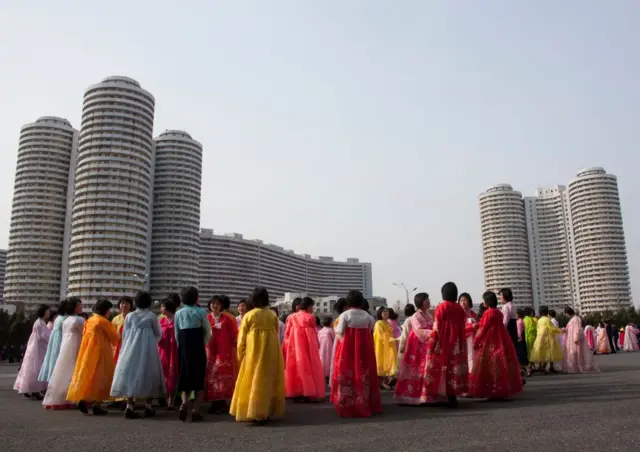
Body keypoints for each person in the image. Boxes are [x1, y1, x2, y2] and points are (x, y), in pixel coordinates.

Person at [230, 287, 285, 424]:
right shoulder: (272, 315)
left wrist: (240, 355)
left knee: (252, 380)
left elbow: (241, 339)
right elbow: (276, 332)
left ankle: (252, 411)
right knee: (267, 380)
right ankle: (265, 411)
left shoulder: (249, 315)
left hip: (253, 352)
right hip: (271, 351)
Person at [110, 291, 165, 419]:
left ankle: (130, 405)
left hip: (130, 348)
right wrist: (149, 341)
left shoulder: (129, 316)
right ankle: (148, 406)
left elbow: (125, 334)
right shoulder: (152, 316)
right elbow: (158, 334)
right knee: (150, 373)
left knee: (130, 372)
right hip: (148, 349)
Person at [331, 290, 381, 418]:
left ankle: (347, 403)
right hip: (365, 348)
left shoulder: (345, 315)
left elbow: (340, 331)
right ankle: (365, 402)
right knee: (364, 372)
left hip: (348, 348)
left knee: (347, 372)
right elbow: (372, 328)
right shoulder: (367, 316)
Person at [67, 299, 119, 415]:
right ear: (105, 310)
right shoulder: (104, 322)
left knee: (88, 375)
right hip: (101, 352)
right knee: (101, 377)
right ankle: (97, 405)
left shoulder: (89, 320)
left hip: (87, 352)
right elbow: (114, 339)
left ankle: (83, 398)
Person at [468, 291, 523, 399]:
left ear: (487, 301)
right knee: (500, 365)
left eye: (483, 299)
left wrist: (476, 342)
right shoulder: (498, 312)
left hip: (490, 340)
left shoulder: (488, 313)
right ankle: (500, 389)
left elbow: (483, 328)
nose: (482, 301)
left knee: (489, 366)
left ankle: (492, 390)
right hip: (501, 339)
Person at [423, 282, 468, 408]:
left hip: (443, 341)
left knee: (443, 367)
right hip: (457, 342)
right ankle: (453, 396)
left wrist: (432, 345)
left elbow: (437, 326)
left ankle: (442, 394)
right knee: (455, 368)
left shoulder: (441, 307)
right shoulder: (459, 308)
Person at [174, 286, 211, 422]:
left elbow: (176, 333)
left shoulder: (179, 313)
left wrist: (180, 346)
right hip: (197, 346)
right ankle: (196, 410)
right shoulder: (201, 312)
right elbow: (207, 330)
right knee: (198, 378)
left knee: (185, 376)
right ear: (196, 298)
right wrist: (204, 342)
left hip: (183, 346)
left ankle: (184, 404)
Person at [43, 298, 85, 410]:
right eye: (79, 305)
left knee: (63, 371)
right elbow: (84, 334)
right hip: (76, 346)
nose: (81, 307)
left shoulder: (65, 320)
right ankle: (75, 396)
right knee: (75, 371)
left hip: (65, 347)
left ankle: (60, 396)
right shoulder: (79, 320)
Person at [394, 292, 433, 405]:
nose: (429, 301)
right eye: (426, 300)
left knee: (426, 369)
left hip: (427, 344)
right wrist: (433, 333)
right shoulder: (415, 316)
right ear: (420, 302)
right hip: (417, 346)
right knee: (415, 370)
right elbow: (419, 331)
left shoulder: (429, 315)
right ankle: (412, 394)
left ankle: (425, 394)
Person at [283, 297, 325, 401]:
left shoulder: (291, 317)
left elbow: (287, 334)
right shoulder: (310, 317)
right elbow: (314, 334)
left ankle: (295, 391)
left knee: (295, 367)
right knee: (309, 368)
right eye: (312, 306)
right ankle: (308, 391)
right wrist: (317, 345)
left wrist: (286, 346)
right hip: (308, 346)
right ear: (308, 306)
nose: (312, 308)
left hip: (294, 346)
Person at [205, 295, 239, 414]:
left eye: (218, 304)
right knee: (212, 376)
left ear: (221, 306)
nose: (215, 306)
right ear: (209, 305)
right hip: (210, 351)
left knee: (223, 376)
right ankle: (214, 402)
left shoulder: (228, 319)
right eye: (213, 303)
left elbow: (235, 334)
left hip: (224, 351)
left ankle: (222, 402)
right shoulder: (206, 318)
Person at [14, 304, 51, 399]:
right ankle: (35, 390)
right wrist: (51, 339)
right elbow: (42, 336)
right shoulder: (39, 323)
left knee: (35, 368)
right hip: (38, 349)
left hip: (37, 348)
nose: (49, 312)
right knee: (36, 368)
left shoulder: (40, 322)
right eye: (47, 311)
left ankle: (34, 390)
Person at [38, 299, 69, 383]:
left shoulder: (58, 318)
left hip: (54, 343)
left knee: (53, 361)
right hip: (60, 342)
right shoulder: (65, 319)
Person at [561, 307, 599, 373]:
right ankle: (574, 366)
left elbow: (578, 329)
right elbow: (570, 329)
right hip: (571, 338)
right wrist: (565, 330)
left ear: (568, 313)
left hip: (575, 339)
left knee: (577, 353)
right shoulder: (572, 319)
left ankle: (579, 366)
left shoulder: (576, 319)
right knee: (574, 353)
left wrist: (576, 337)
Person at [158, 298, 179, 409]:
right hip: (163, 349)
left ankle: (172, 398)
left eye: (163, 306)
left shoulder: (178, 319)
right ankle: (166, 398)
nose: (161, 309)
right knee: (164, 373)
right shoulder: (161, 320)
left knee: (174, 373)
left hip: (175, 349)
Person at [529, 306, 563, 373]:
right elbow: (552, 329)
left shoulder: (539, 320)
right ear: (547, 312)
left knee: (543, 354)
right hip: (547, 339)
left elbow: (538, 329)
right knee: (548, 354)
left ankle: (543, 367)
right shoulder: (547, 320)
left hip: (540, 338)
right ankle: (544, 367)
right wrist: (561, 330)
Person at [373, 307, 398, 389]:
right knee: (382, 363)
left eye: (387, 311)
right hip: (381, 347)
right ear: (380, 313)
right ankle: (382, 382)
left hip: (389, 345)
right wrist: (392, 339)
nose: (386, 313)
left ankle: (387, 381)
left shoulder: (388, 323)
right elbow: (381, 336)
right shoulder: (378, 323)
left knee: (389, 363)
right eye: (383, 311)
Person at [458, 292, 477, 373]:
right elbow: (458, 328)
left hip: (473, 339)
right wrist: (471, 326)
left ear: (469, 301)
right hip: (462, 339)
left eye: (465, 300)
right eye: (461, 300)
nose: (463, 302)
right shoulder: (457, 313)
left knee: (472, 357)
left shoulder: (473, 314)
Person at [112, 296, 134, 364]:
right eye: (122, 303)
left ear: (130, 305)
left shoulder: (134, 317)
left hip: (131, 346)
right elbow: (112, 335)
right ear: (119, 305)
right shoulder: (115, 319)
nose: (124, 305)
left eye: (127, 303)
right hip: (119, 347)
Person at [317, 316, 335, 381]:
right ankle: (328, 375)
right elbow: (334, 339)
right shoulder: (331, 330)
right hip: (329, 349)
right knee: (329, 360)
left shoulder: (320, 331)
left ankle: (323, 374)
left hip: (321, 349)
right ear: (330, 323)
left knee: (322, 360)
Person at [515, 309, 530, 376]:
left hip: (519, 341)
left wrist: (518, 338)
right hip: (521, 340)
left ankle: (527, 370)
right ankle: (521, 370)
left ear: (518, 314)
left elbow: (519, 332)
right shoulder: (520, 321)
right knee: (520, 356)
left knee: (521, 356)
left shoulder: (519, 321)